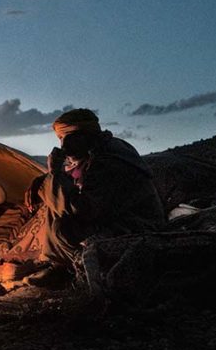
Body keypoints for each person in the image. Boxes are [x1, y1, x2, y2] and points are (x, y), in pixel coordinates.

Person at [24, 108, 165, 287]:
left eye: (69, 137)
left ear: (87, 135)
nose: (64, 145)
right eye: (60, 138)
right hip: (110, 217)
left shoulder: (108, 160)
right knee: (54, 201)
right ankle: (59, 266)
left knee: (63, 225)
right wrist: (42, 181)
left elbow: (83, 210)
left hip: (135, 225)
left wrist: (54, 174)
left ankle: (77, 269)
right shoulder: (95, 150)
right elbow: (73, 178)